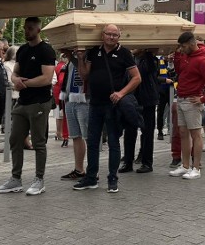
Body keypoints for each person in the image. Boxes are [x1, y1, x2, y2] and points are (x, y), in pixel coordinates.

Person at [69, 23, 140, 192]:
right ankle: (91, 178)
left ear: (119, 37)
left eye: (115, 35)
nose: (111, 37)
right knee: (93, 142)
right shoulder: (94, 51)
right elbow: (85, 75)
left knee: (114, 143)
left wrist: (121, 93)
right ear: (102, 35)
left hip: (113, 105)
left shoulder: (124, 53)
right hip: (95, 104)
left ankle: (112, 179)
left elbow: (137, 78)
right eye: (108, 34)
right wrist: (80, 58)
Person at [0, 17, 56, 196]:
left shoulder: (46, 50)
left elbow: (46, 78)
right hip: (22, 102)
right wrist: (16, 81)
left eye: (30, 28)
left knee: (38, 142)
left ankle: (39, 179)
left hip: (39, 101)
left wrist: (25, 83)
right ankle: (16, 179)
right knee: (15, 139)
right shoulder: (22, 50)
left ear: (38, 30)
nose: (26, 31)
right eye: (25, 28)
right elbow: (15, 73)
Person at [169, 31, 205, 178]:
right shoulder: (186, 56)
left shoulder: (202, 60)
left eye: (183, 47)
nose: (181, 49)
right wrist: (177, 56)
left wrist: (203, 99)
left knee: (195, 135)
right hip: (182, 98)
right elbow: (179, 71)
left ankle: (196, 168)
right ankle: (185, 166)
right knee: (183, 133)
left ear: (191, 44)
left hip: (192, 100)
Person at [121, 48, 159, 173]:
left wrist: (148, 51)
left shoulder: (150, 59)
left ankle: (147, 163)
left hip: (147, 100)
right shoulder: (129, 58)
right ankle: (128, 162)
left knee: (147, 132)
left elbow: (148, 70)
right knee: (129, 132)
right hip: (132, 99)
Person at [59, 50, 89, 180]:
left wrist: (72, 56)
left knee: (88, 136)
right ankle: (79, 169)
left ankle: (93, 171)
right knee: (75, 136)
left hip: (84, 99)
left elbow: (85, 74)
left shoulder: (88, 54)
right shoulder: (73, 57)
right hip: (70, 98)